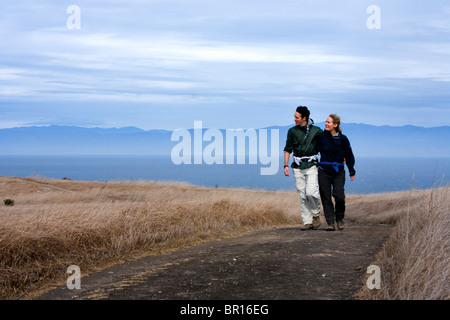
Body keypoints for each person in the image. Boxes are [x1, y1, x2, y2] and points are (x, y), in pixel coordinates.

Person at [284, 106, 323, 230]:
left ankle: (316, 215)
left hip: (311, 165)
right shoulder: (291, 131)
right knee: (302, 195)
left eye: (296, 117)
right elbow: (287, 149)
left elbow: (326, 144)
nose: (294, 119)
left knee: (311, 192)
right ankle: (307, 221)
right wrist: (285, 165)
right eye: (294, 117)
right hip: (297, 166)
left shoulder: (316, 131)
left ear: (304, 118)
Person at [317, 114, 356, 231]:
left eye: (328, 122)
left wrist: (351, 170)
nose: (326, 124)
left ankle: (339, 218)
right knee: (326, 197)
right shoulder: (321, 137)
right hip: (324, 171)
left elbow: (349, 155)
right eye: (326, 122)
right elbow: (313, 149)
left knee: (339, 196)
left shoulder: (343, 139)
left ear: (335, 125)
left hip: (338, 171)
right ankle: (330, 223)